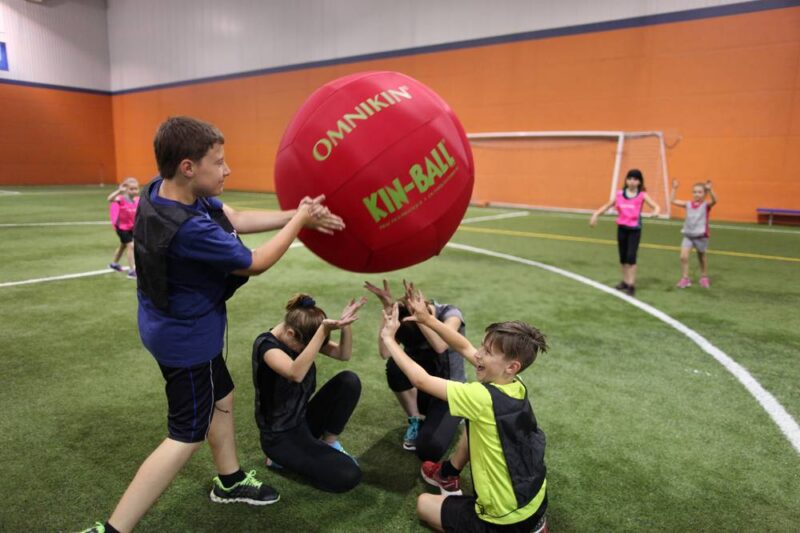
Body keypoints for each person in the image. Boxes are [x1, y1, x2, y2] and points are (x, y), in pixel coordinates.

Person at [81, 116, 344, 533]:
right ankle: (114, 529)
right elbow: (255, 262)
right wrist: (300, 222)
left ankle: (230, 479)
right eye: (218, 162)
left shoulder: (161, 189)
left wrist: (297, 212)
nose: (227, 170)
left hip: (164, 322)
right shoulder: (188, 229)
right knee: (185, 435)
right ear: (188, 167)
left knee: (223, 392)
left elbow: (233, 217)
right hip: (187, 340)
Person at [380, 289, 549, 533]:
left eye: (488, 352)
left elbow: (421, 381)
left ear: (512, 366)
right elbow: (464, 346)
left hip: (503, 520)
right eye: (483, 346)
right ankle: (448, 474)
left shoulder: (480, 397)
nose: (478, 354)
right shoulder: (516, 385)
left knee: (424, 504)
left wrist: (389, 339)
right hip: (535, 501)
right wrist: (428, 320)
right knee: (476, 425)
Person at [252, 293, 366, 493]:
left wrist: (345, 325)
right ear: (290, 333)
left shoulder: (299, 335)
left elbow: (343, 354)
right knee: (349, 475)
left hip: (302, 419)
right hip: (280, 437)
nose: (309, 350)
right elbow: (295, 373)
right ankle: (278, 459)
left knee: (349, 381)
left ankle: (329, 443)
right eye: (306, 345)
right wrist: (322, 331)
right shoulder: (266, 347)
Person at [365, 280, 465, 461]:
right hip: (423, 387)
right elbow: (385, 352)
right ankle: (415, 418)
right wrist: (388, 309)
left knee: (428, 449)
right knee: (394, 365)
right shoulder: (403, 320)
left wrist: (421, 318)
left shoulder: (450, 314)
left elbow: (440, 346)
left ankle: (452, 416)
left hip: (450, 392)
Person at [590, 168, 660, 296]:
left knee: (631, 257)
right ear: (626, 180)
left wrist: (655, 211)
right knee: (623, 258)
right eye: (630, 178)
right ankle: (625, 281)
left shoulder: (642, 195)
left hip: (634, 230)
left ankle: (631, 284)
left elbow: (656, 206)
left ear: (639, 182)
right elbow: (607, 205)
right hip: (622, 229)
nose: (632, 181)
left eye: (635, 179)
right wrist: (596, 214)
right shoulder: (619, 194)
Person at [671, 179, 717, 288]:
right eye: (694, 192)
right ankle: (685, 279)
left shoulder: (706, 205)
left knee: (701, 257)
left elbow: (714, 200)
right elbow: (672, 200)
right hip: (688, 235)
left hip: (701, 236)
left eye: (699, 192)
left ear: (704, 194)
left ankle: (704, 277)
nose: (696, 194)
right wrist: (674, 188)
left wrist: (710, 190)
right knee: (683, 257)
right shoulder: (688, 204)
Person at [107, 177, 140, 278]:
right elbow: (110, 199)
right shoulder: (120, 199)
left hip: (131, 228)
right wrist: (119, 191)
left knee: (123, 246)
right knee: (131, 246)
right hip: (122, 228)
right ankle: (132, 270)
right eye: (131, 189)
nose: (134, 191)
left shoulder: (137, 200)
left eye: (136, 188)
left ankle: (114, 264)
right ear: (126, 189)